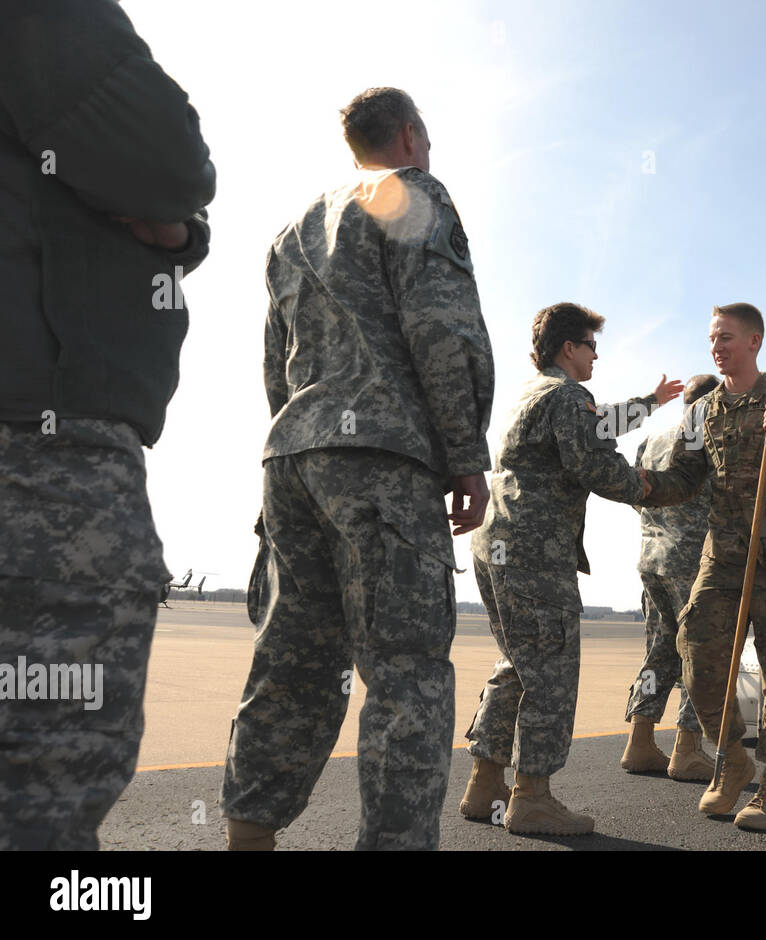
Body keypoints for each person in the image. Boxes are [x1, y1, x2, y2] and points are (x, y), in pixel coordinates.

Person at [221, 87, 492, 851]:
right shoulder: (413, 193)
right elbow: (441, 329)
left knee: (291, 663)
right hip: (382, 460)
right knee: (407, 677)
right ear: (409, 135)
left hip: (294, 458)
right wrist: (466, 455)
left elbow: (275, 364)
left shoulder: (291, 230)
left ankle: (247, 838)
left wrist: (294, 442)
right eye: (427, 143)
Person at [0, 0, 215, 850]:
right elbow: (164, 163)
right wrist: (179, 225)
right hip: (40, 445)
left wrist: (178, 230)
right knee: (42, 800)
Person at [461, 302, 682, 837]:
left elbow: (595, 423)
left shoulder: (532, 393)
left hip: (496, 545)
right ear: (568, 348)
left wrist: (648, 403)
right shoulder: (566, 395)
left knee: (517, 663)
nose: (596, 354)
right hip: (536, 554)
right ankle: (532, 797)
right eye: (590, 345)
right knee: (551, 673)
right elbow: (592, 459)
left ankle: (484, 782)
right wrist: (645, 487)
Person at [641, 303, 766, 832]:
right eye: (711, 338)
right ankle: (730, 755)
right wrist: (641, 484)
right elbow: (683, 477)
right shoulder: (704, 412)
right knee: (696, 649)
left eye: (725, 337)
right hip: (723, 555)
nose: (716, 346)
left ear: (755, 341)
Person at [620, 373, 720, 781]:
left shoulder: (654, 440)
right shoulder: (708, 443)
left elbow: (635, 492)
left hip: (652, 557)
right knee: (700, 651)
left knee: (659, 651)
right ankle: (687, 749)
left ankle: (639, 741)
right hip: (693, 562)